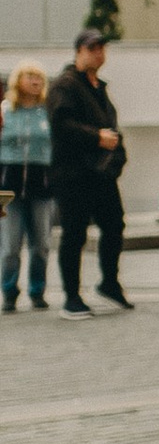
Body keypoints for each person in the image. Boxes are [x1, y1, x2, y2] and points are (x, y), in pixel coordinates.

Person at [47, 30, 129, 316]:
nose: (98, 53)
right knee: (74, 233)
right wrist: (97, 138)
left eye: (101, 48)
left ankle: (109, 283)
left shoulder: (98, 87)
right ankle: (71, 297)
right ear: (79, 51)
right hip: (72, 174)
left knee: (114, 225)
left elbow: (112, 128)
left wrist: (117, 158)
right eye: (92, 48)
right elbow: (60, 124)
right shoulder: (65, 85)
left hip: (101, 174)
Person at [2, 66, 53, 314]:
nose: (36, 81)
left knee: (41, 245)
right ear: (18, 81)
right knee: (10, 247)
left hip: (40, 185)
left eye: (39, 78)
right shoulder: (5, 110)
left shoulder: (47, 112)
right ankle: (9, 292)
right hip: (9, 187)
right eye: (30, 76)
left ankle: (37, 291)